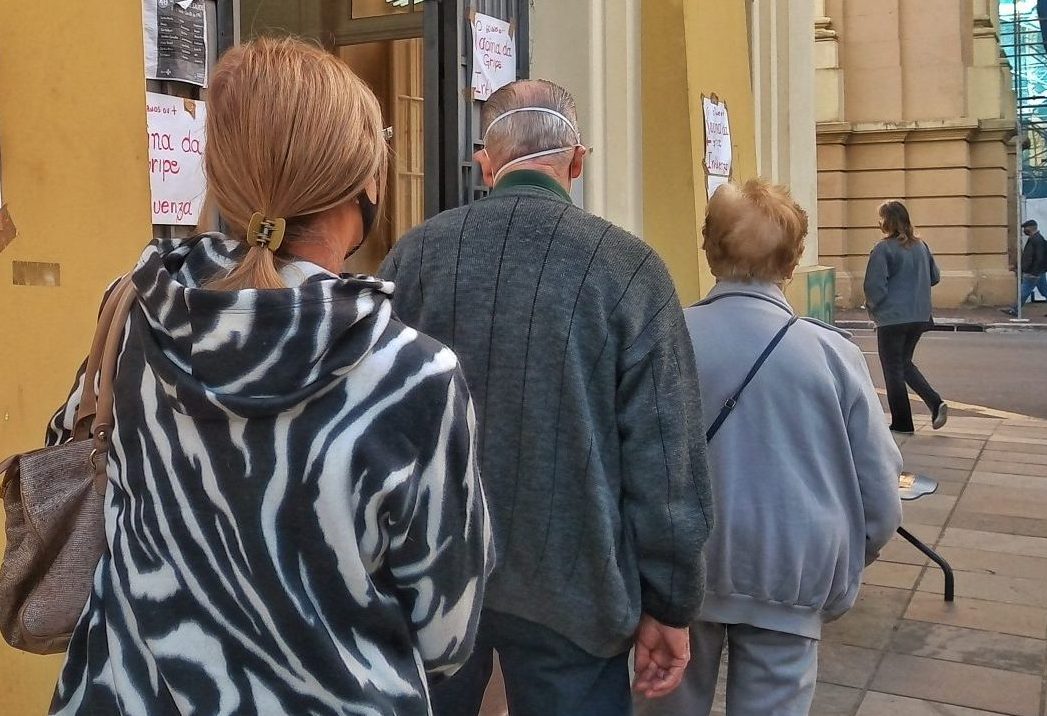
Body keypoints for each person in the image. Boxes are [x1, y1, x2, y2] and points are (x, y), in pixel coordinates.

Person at [48, 38, 492, 716]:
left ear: (222, 177)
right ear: (364, 183)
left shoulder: (135, 315)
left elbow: (72, 444)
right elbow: (446, 634)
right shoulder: (414, 376)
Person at [379, 79, 713, 716]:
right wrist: (671, 601)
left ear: (486, 164)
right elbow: (668, 462)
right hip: (576, 588)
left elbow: (378, 422)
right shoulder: (629, 270)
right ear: (577, 162)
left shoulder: (415, 257)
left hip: (432, 578)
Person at [636, 180, 903, 716]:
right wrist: (844, 559)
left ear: (709, 250)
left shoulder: (663, 341)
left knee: (666, 701)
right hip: (790, 571)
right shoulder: (831, 355)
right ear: (793, 260)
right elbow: (881, 498)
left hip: (680, 572)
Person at [864, 200, 948, 435]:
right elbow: (935, 277)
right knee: (903, 364)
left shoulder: (883, 248)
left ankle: (902, 422)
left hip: (892, 318)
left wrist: (873, 307)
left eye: (881, 218)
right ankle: (935, 403)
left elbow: (874, 286)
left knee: (892, 369)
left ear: (887, 221)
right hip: (919, 315)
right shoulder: (921, 246)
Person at [1002, 219, 1047, 317]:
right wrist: (1017, 266)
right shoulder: (1035, 239)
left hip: (1033, 272)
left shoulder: (1037, 240)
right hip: (1038, 272)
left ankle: (1015, 310)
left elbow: (1039, 258)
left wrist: (1033, 272)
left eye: (1025, 228)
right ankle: (1015, 309)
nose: (1024, 230)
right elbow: (1027, 256)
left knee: (1024, 291)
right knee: (1044, 291)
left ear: (1030, 228)